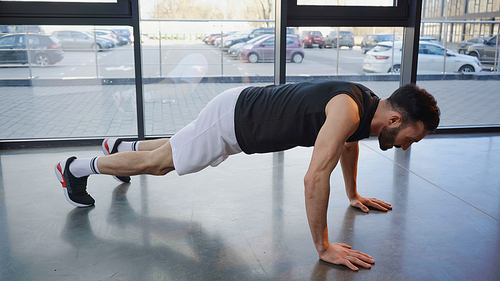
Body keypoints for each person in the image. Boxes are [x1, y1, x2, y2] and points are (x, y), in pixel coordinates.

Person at [54, 81, 440, 271]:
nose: (408, 145)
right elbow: (313, 179)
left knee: (173, 147)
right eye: (412, 136)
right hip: (233, 123)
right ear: (395, 119)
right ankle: (74, 168)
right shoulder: (349, 110)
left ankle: (119, 146)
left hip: (240, 112)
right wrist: (323, 248)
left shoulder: (365, 105)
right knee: (159, 164)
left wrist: (353, 193)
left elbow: (348, 144)